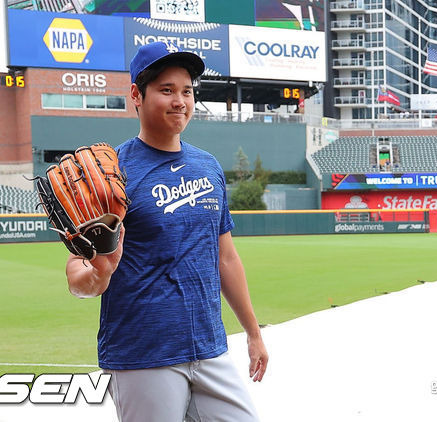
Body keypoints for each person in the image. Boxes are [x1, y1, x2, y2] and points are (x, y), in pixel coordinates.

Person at [65, 41, 268, 422]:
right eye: (166, 90)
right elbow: (76, 274)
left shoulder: (208, 168)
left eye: (187, 91)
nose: (180, 101)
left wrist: (253, 333)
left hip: (209, 347)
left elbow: (226, 257)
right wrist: (99, 273)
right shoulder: (111, 175)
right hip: (144, 354)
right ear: (136, 96)